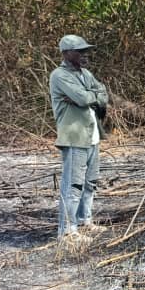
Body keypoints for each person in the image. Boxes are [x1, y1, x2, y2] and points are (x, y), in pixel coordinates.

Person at [49, 34, 109, 245]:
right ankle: (67, 231)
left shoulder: (85, 73)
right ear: (66, 53)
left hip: (92, 136)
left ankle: (85, 222)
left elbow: (103, 93)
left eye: (86, 51)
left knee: (90, 182)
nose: (85, 55)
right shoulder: (59, 75)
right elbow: (83, 98)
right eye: (80, 51)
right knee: (73, 185)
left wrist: (89, 96)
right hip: (75, 137)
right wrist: (88, 97)